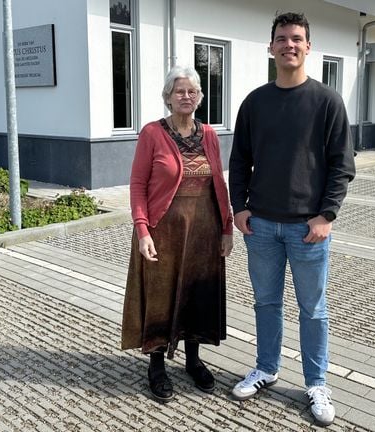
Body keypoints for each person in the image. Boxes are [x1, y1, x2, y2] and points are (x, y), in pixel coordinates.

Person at [228, 12, 356, 426]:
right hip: (261, 225)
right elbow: (240, 160)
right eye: (281, 38)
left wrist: (327, 215)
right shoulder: (255, 102)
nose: (289, 45)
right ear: (271, 47)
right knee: (266, 303)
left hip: (308, 230)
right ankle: (266, 368)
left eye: (296, 38)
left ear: (307, 46)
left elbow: (342, 165)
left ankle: (317, 382)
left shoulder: (327, 101)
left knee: (313, 309)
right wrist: (239, 208)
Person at [121, 65, 234, 402]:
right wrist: (142, 230)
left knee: (197, 294)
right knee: (161, 295)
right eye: (179, 91)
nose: (186, 96)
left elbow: (219, 183)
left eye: (192, 91)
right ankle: (156, 364)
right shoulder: (152, 133)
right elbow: (139, 184)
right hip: (163, 230)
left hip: (204, 228)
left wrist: (226, 228)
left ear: (199, 97)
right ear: (168, 97)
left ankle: (193, 360)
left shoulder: (210, 134)